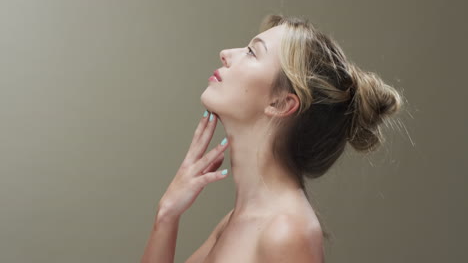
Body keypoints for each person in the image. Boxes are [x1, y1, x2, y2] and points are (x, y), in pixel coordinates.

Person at [141, 14, 403, 263]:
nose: (226, 54)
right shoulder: (236, 221)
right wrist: (167, 214)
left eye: (252, 52)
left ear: (280, 103)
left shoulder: (287, 232)